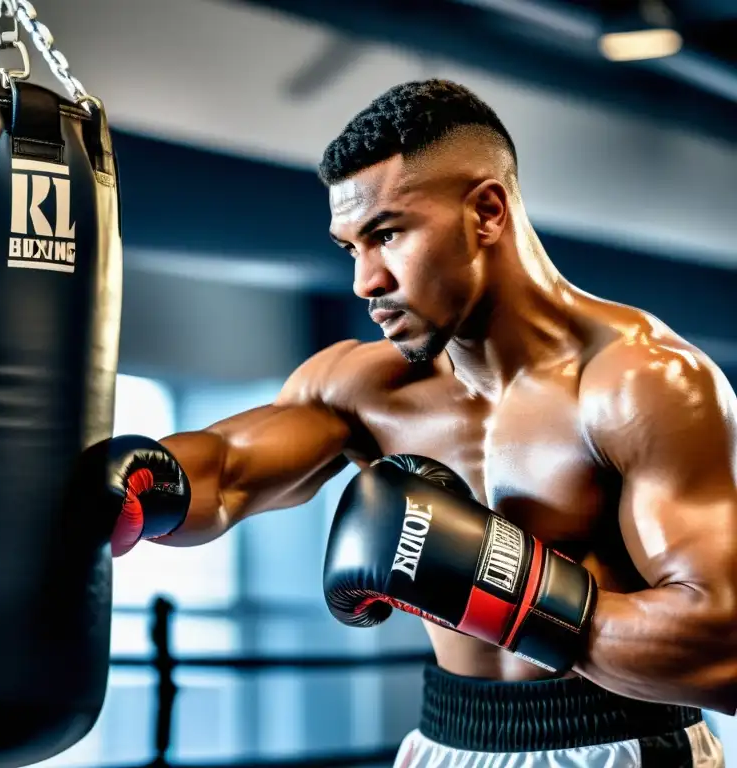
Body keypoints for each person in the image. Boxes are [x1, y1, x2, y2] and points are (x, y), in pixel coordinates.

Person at [88, 79, 737, 766]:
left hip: (621, 746)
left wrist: (506, 596)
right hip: (444, 744)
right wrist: (139, 484)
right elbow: (224, 470)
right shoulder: (367, 386)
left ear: (486, 212)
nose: (365, 280)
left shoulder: (642, 382)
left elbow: (723, 650)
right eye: (350, 249)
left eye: (387, 234)